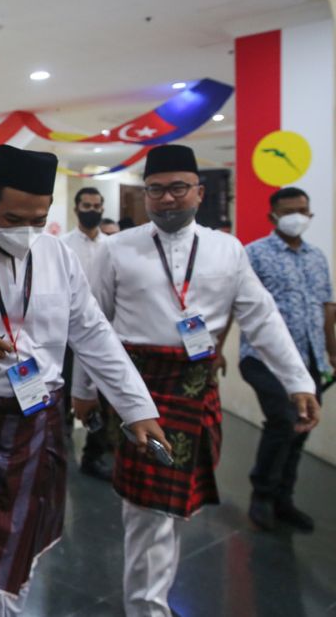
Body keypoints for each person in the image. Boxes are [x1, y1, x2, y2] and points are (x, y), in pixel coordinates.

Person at [0, 144, 165, 616]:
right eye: (12, 218)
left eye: (38, 219)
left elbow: (92, 332)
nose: (26, 231)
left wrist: (138, 407)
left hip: (34, 423)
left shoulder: (59, 258)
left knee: (21, 550)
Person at [91, 144, 320, 617]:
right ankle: (146, 608)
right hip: (141, 391)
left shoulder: (226, 249)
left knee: (171, 510)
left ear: (199, 191)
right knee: (148, 510)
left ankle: (152, 599)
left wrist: (299, 381)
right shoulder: (117, 248)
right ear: (145, 195)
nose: (167, 199)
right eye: (156, 190)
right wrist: (83, 392)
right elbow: (94, 324)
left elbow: (262, 317)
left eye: (178, 188)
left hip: (196, 390)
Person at [241, 187, 334, 532]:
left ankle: (284, 499)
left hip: (310, 359)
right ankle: (261, 495)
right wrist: (213, 350)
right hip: (263, 359)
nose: (297, 216)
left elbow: (327, 305)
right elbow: (234, 305)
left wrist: (331, 350)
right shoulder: (254, 254)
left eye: (303, 210)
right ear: (273, 216)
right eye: (289, 210)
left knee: (302, 426)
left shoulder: (316, 257)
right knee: (282, 420)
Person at [60, 187, 114, 480]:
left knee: (101, 397)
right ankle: (61, 434)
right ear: (76, 207)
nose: (91, 209)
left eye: (96, 205)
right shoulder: (62, 245)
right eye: (86, 205)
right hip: (67, 335)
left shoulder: (112, 246)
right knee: (64, 391)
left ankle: (93, 454)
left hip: (103, 335)